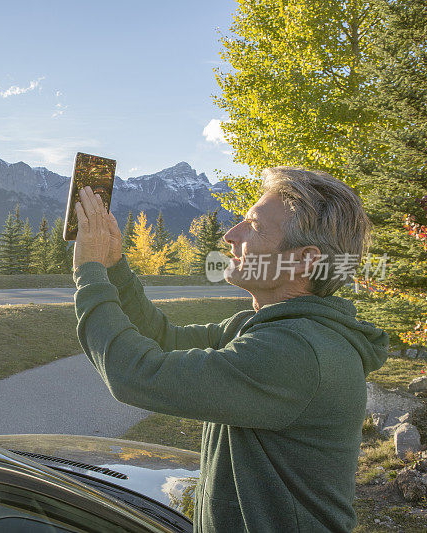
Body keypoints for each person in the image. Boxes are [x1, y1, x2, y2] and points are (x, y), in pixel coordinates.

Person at [71, 167, 389, 532]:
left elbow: (136, 374)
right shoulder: (263, 328)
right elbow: (163, 340)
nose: (230, 235)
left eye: (253, 226)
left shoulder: (295, 352)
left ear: (304, 259)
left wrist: (90, 273)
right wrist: (112, 267)